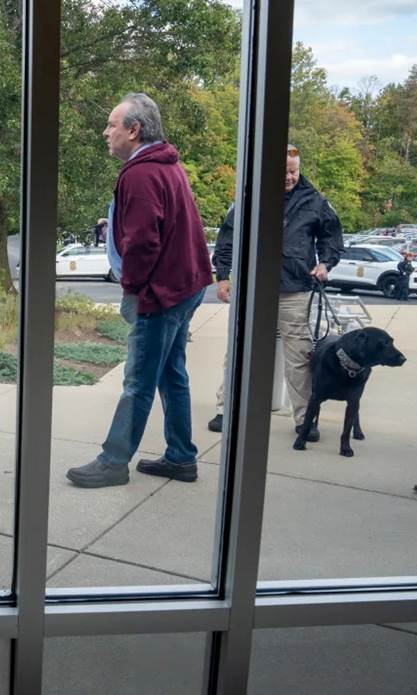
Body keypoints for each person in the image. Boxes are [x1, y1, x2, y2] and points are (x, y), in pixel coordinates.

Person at [66, 93, 212, 488]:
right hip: (184, 287)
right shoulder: (165, 165)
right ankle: (182, 457)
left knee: (138, 381)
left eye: (112, 125)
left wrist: (132, 289)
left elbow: (144, 242)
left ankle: (114, 461)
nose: (105, 132)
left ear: (134, 129)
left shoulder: (141, 174)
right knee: (171, 373)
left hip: (160, 294)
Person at [208, 145, 344, 437]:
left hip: (295, 291)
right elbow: (227, 238)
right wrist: (223, 276)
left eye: (293, 170)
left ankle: (305, 419)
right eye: (282, 171)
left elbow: (332, 237)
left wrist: (325, 264)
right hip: (252, 290)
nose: (289, 176)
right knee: (238, 352)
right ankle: (226, 409)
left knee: (300, 358)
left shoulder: (315, 200)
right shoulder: (247, 196)